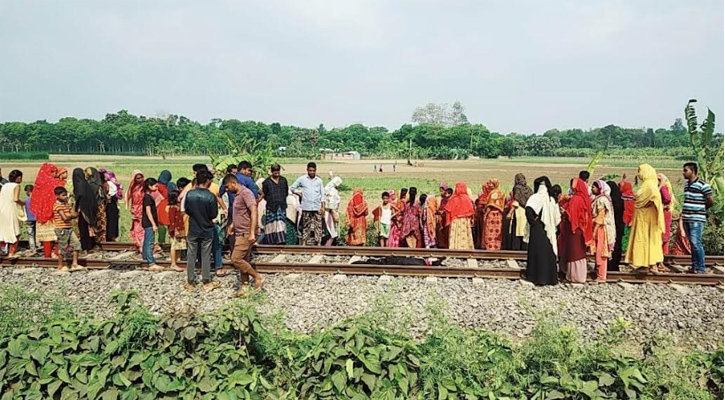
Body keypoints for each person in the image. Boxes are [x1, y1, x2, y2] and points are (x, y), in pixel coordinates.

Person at [223, 174, 265, 297]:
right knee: (244, 260)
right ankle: (244, 286)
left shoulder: (246, 194)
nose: (227, 189)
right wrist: (232, 225)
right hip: (239, 231)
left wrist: (252, 232)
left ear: (234, 183)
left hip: (245, 232)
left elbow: (253, 211)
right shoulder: (238, 195)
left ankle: (257, 277)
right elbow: (240, 213)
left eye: (227, 186)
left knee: (235, 259)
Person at [625, 164, 665, 273]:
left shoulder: (649, 185)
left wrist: (646, 204)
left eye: (640, 171)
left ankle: (650, 264)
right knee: (647, 240)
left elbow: (653, 198)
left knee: (645, 239)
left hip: (646, 218)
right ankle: (646, 264)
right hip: (644, 217)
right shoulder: (649, 184)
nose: (638, 174)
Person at [184, 170, 220, 291]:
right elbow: (213, 214)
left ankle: (190, 281)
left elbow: (187, 210)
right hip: (206, 228)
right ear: (207, 181)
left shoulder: (190, 194)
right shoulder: (210, 196)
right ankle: (206, 280)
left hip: (193, 227)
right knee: (206, 254)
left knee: (191, 254)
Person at [524, 176, 561, 285]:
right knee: (548, 252)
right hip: (548, 229)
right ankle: (549, 278)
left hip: (537, 229)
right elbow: (556, 218)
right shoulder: (551, 199)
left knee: (537, 252)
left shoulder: (535, 197)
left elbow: (528, 210)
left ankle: (535, 277)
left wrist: (534, 222)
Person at [681, 162, 714, 274]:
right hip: (687, 218)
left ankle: (700, 268)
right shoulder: (686, 185)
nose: (683, 172)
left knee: (696, 243)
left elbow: (710, 200)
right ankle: (695, 266)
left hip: (696, 219)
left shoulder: (703, 185)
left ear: (693, 171)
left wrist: (701, 209)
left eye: (686, 170)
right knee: (692, 244)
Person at [562, 178, 592, 283]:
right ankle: (579, 275)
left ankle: (574, 276)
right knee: (580, 252)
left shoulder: (576, 199)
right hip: (581, 229)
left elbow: (572, 215)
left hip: (574, 230)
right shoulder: (584, 198)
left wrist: (564, 212)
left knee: (574, 253)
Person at [30, 163, 61, 258]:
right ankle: (56, 253)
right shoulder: (54, 183)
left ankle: (47, 255)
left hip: (41, 214)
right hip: (53, 214)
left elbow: (34, 199)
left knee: (46, 237)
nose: (56, 174)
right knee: (57, 236)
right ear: (50, 172)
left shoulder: (38, 183)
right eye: (55, 172)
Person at [291, 162, 325, 246]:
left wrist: (323, 206)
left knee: (318, 226)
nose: (312, 172)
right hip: (306, 206)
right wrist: (298, 193)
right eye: (310, 170)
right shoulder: (302, 179)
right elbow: (292, 188)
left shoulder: (319, 181)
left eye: (313, 171)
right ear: (307, 170)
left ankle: (318, 242)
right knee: (306, 225)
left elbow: (322, 195)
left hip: (316, 206)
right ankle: (304, 243)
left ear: (316, 170)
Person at [53, 187, 83, 271]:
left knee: (76, 244)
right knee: (63, 247)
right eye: (63, 195)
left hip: (69, 228)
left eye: (66, 195)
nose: (66, 197)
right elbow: (65, 217)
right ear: (57, 196)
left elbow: (74, 214)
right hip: (61, 229)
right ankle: (60, 266)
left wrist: (70, 215)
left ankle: (75, 264)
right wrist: (70, 215)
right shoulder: (57, 205)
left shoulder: (66, 204)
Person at [591, 180, 615, 283]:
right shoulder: (604, 198)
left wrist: (594, 229)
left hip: (601, 228)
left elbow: (600, 217)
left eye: (594, 187)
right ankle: (600, 274)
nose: (592, 189)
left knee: (601, 252)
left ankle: (601, 276)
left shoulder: (601, 200)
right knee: (601, 251)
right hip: (604, 227)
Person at [259, 163, 289, 245]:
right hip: (271, 206)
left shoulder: (283, 180)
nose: (277, 173)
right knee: (271, 225)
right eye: (275, 172)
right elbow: (265, 194)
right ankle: (271, 242)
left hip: (281, 205)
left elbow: (286, 192)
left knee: (281, 223)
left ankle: (281, 241)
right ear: (272, 172)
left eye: (278, 171)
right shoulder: (266, 182)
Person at [504, 173, 532, 250]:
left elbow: (516, 201)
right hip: (526, 212)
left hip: (518, 212)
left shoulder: (517, 188)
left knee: (517, 231)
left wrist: (510, 213)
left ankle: (516, 249)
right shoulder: (528, 189)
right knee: (524, 231)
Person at [0, 170, 24, 257]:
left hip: (2, 209)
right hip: (11, 209)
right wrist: (23, 203)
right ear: (18, 178)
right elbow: (15, 199)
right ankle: (12, 252)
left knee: (3, 230)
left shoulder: (5, 186)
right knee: (15, 230)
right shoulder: (16, 186)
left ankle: (3, 250)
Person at [72, 168, 97, 252]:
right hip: (89, 209)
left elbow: (80, 196)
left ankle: (86, 246)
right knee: (88, 227)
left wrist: (76, 208)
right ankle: (90, 245)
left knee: (83, 228)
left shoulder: (80, 185)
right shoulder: (85, 184)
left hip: (83, 209)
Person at [140, 178, 162, 271]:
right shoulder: (148, 197)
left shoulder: (146, 196)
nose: (156, 188)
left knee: (146, 241)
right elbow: (148, 211)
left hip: (147, 222)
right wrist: (153, 224)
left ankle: (146, 258)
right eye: (155, 186)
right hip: (149, 223)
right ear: (149, 186)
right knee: (150, 242)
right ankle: (151, 262)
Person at [445, 182, 475, 250]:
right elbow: (471, 210)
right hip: (464, 220)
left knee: (455, 234)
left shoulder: (452, 199)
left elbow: (448, 210)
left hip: (455, 220)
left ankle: (454, 248)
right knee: (464, 234)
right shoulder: (467, 199)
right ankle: (465, 248)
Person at [99, 168, 122, 242]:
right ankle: (111, 237)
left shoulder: (108, 184)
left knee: (110, 221)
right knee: (111, 221)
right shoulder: (111, 184)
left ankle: (110, 237)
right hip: (111, 204)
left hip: (109, 204)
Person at [482, 179, 506, 250]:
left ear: (494, 184)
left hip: (492, 214)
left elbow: (490, 205)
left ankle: (490, 247)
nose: (488, 185)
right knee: (497, 231)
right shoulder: (502, 192)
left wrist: (486, 214)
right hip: (499, 215)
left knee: (490, 231)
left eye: (490, 184)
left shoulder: (493, 193)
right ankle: (497, 247)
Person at [606, 181, 625, 271]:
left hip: (610, 227)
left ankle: (607, 266)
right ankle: (614, 266)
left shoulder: (608, 201)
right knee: (617, 247)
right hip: (619, 226)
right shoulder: (620, 200)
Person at [86, 167, 107, 246]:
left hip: (90, 206)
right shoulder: (99, 185)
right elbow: (102, 196)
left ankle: (93, 241)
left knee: (92, 224)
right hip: (99, 206)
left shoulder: (87, 184)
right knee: (101, 223)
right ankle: (101, 240)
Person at [125, 170, 146, 252]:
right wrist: (128, 205)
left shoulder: (145, 186)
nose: (140, 179)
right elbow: (127, 195)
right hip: (135, 209)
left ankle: (143, 244)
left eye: (141, 177)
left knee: (142, 227)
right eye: (138, 178)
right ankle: (139, 244)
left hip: (143, 209)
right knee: (137, 227)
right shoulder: (132, 187)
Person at [167, 190, 186, 272]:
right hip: (176, 229)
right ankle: (173, 263)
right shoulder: (172, 208)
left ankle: (178, 260)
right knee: (174, 246)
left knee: (179, 246)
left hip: (179, 228)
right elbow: (172, 220)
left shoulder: (178, 207)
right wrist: (174, 229)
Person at [657, 173, 675, 259]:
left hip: (663, 214)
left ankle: (661, 256)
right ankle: (664, 255)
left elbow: (667, 198)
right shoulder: (668, 187)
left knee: (662, 235)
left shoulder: (663, 187)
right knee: (665, 235)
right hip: (666, 213)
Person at [322, 176, 343, 246]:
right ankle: (327, 247)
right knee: (332, 232)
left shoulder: (329, 189)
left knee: (330, 231)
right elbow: (331, 205)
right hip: (330, 213)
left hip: (329, 212)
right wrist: (334, 214)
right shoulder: (333, 191)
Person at [619, 177, 636, 252]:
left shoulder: (621, 197)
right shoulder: (634, 197)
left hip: (622, 219)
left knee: (622, 235)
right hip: (631, 219)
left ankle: (623, 249)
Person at [436, 184, 450, 248]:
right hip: (441, 217)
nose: (441, 192)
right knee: (440, 231)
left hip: (447, 217)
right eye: (440, 191)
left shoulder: (449, 199)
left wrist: (444, 211)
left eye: (442, 191)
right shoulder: (442, 199)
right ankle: (442, 244)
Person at [24, 184, 37, 253]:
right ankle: (38, 245)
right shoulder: (37, 199)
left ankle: (33, 248)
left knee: (30, 234)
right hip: (37, 219)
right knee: (36, 233)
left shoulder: (26, 200)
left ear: (27, 191)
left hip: (29, 219)